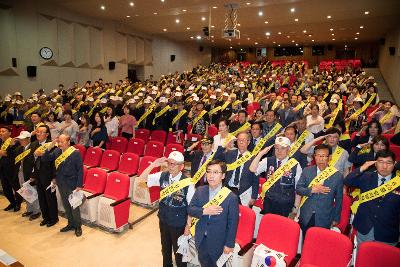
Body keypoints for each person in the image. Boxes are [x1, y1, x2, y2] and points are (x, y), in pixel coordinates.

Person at [138, 151, 194, 267]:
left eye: (174, 164)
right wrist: (154, 164)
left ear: (182, 166)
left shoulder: (188, 183)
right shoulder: (162, 175)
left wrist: (188, 227)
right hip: (163, 220)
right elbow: (141, 179)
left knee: (179, 254)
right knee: (165, 250)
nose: (171, 166)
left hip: (179, 224)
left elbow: (192, 207)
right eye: (169, 163)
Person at [188, 160, 239, 267]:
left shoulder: (231, 197)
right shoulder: (200, 190)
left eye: (215, 172)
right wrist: (204, 211)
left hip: (219, 242)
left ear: (223, 175)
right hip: (201, 239)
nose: (211, 176)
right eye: (209, 172)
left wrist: (229, 244)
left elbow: (232, 224)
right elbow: (190, 209)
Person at [344, 150, 400, 246]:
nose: (384, 166)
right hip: (365, 228)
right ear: (375, 163)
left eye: (388, 162)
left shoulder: (398, 182)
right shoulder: (366, 176)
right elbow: (348, 181)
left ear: (394, 163)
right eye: (381, 162)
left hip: (388, 233)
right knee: (362, 258)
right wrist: (362, 168)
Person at [41, 134, 83, 237]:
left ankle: (78, 226)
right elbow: (45, 159)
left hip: (72, 183)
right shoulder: (57, 151)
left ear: (68, 142)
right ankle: (70, 224)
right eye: (58, 142)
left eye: (62, 142)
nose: (60, 144)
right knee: (66, 205)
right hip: (61, 182)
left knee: (74, 205)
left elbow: (80, 170)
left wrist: (79, 184)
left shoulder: (75, 153)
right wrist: (50, 146)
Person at [296, 144, 344, 234]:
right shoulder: (307, 171)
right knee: (303, 241)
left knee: (318, 243)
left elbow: (339, 199)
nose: (321, 159)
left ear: (329, 157)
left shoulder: (337, 176)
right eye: (318, 156)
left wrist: (336, 218)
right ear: (314, 157)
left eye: (324, 156)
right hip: (306, 214)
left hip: (324, 217)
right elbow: (298, 189)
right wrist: (311, 190)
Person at [250, 136, 302, 217]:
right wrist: (261, 154)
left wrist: (295, 209)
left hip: (286, 205)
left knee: (282, 228)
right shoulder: (268, 160)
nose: (279, 151)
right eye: (277, 148)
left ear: (288, 149)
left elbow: (298, 189)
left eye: (282, 148)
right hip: (269, 203)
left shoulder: (295, 164)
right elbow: (252, 169)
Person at [215, 132, 259, 207]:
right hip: (228, 189)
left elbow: (255, 179)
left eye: (243, 140)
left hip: (243, 192)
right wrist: (224, 147)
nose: (241, 142)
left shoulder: (253, 158)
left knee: (241, 215)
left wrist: (254, 196)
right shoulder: (230, 153)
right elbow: (215, 160)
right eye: (239, 140)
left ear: (248, 142)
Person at [31, 125, 58, 227]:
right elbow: (33, 162)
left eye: (42, 132)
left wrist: (54, 177)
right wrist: (33, 175)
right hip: (38, 175)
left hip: (49, 176)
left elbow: (55, 163)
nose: (38, 133)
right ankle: (45, 217)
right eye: (37, 131)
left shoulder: (52, 145)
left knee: (50, 198)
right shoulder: (34, 144)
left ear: (47, 134)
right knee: (41, 197)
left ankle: (53, 218)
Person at [14, 131, 41, 220]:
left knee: (33, 192)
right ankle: (29, 209)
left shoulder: (33, 148)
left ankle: (36, 211)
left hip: (30, 174)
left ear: (28, 139)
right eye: (20, 139)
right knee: (25, 192)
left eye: (23, 139)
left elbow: (35, 162)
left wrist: (33, 175)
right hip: (20, 173)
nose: (21, 141)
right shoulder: (19, 149)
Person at [0, 126, 22, 211]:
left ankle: (18, 203)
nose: (1, 133)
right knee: (5, 188)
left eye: (3, 131)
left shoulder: (14, 142)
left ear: (9, 133)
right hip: (2, 168)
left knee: (15, 187)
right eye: (0, 131)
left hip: (11, 168)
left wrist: (6, 152)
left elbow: (15, 154)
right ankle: (12, 203)